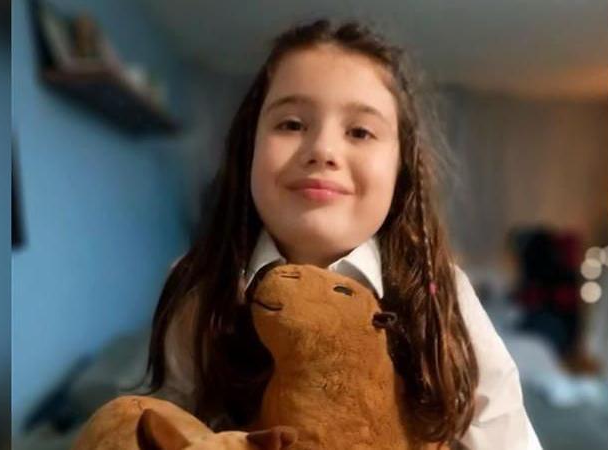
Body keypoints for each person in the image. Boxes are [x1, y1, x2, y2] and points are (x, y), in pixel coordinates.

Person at [141, 19, 541, 450]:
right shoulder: (199, 286)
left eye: (360, 132)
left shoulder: (443, 292)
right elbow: (166, 425)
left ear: (401, 169)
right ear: (248, 147)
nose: (323, 150)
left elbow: (505, 432)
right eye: (292, 124)